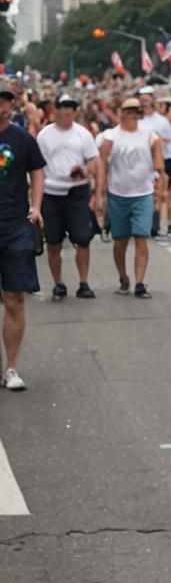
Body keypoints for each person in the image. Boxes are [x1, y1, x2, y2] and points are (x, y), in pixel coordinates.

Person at [0, 86, 46, 390]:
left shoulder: (21, 138)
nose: (2, 107)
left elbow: (37, 170)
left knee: (15, 298)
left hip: (14, 225)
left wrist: (36, 206)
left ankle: (11, 368)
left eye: (4, 103)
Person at [98, 97, 165, 298]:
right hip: (118, 194)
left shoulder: (150, 136)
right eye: (128, 111)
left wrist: (161, 189)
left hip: (142, 193)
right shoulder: (110, 136)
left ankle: (140, 283)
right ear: (121, 113)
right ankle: (123, 277)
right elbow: (102, 163)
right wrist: (99, 193)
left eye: (136, 111)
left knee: (141, 238)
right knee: (120, 241)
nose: (132, 114)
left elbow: (159, 164)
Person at [36, 94, 100, 299]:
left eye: (71, 107)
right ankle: (58, 283)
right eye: (63, 106)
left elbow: (93, 162)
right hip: (51, 192)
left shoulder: (83, 134)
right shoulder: (45, 135)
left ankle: (83, 283)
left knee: (82, 239)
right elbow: (37, 167)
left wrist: (82, 170)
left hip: (77, 192)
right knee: (53, 242)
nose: (67, 110)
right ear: (56, 110)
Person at [138, 88, 171, 241]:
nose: (143, 103)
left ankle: (163, 225)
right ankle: (146, 224)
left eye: (146, 99)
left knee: (163, 195)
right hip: (141, 163)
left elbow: (168, 141)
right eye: (141, 99)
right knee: (145, 194)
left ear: (152, 101)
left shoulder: (161, 121)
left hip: (159, 162)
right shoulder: (137, 120)